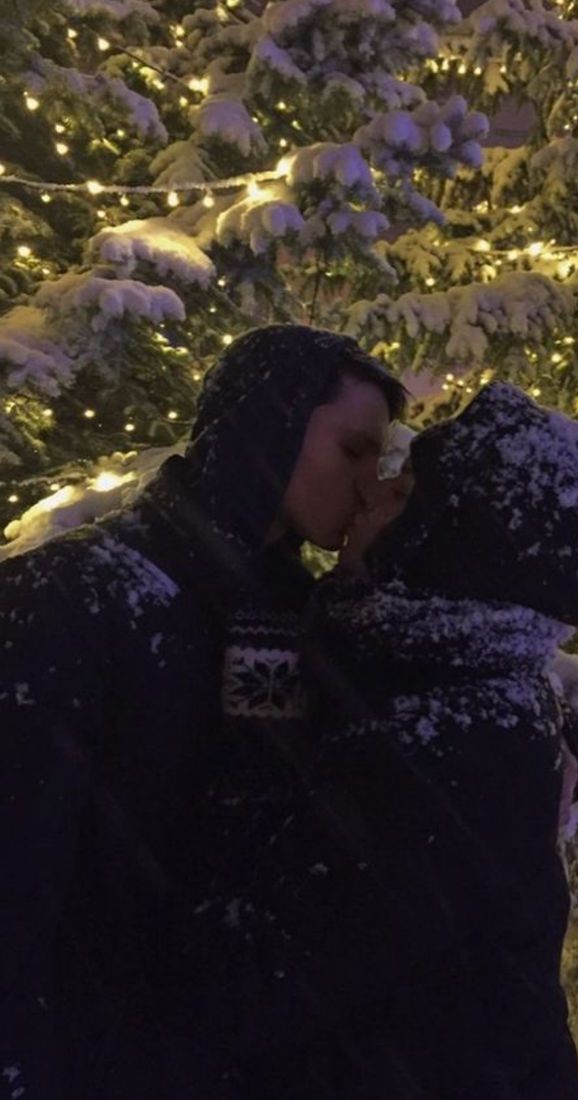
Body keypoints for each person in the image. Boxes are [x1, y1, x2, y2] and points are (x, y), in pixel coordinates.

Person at [192, 382, 578, 1098]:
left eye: (403, 496)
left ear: (451, 557)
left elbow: (255, 965)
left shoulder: (450, 746)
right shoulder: (427, 671)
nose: (372, 492)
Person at [0, 324, 407, 1100]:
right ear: (272, 420)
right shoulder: (69, 598)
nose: (367, 482)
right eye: (353, 450)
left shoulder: (298, 615)